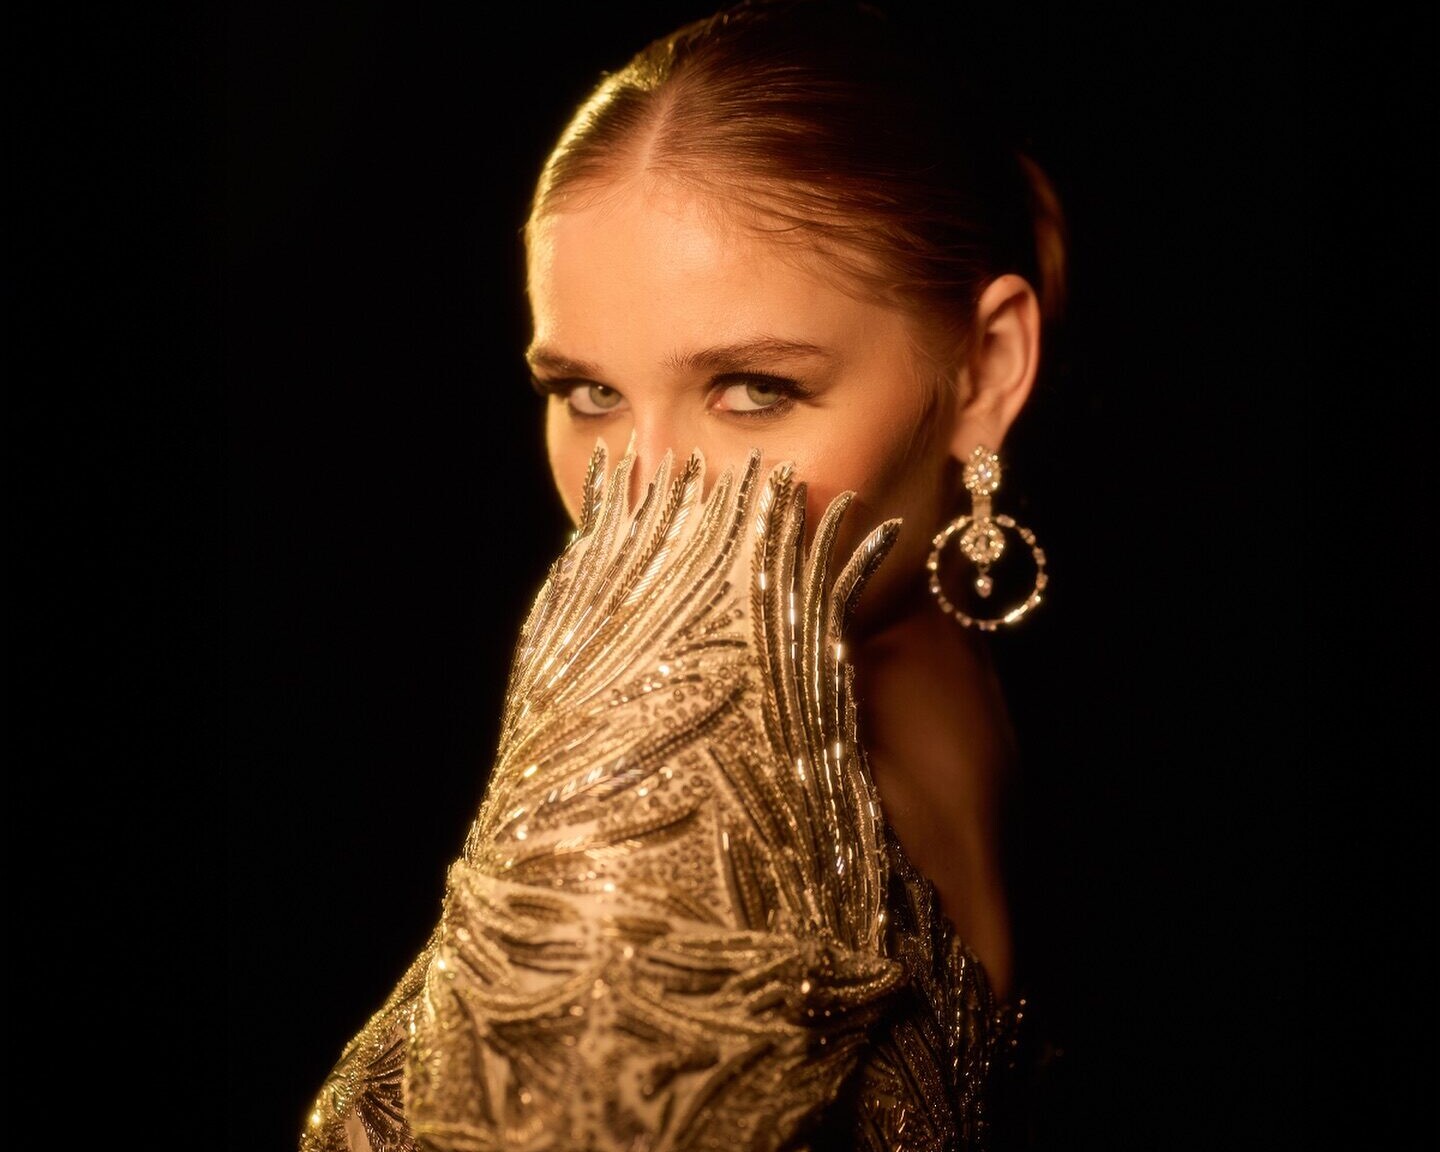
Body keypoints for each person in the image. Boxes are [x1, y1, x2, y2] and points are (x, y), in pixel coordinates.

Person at [299, 1, 1066, 1148]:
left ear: (988, 365)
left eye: (754, 389)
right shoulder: (643, 793)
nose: (644, 487)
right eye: (588, 394)